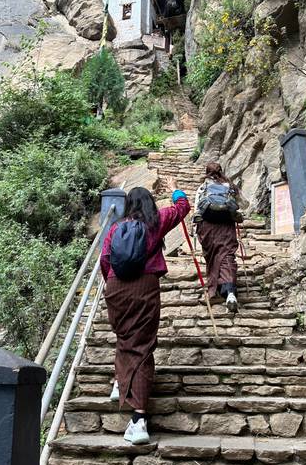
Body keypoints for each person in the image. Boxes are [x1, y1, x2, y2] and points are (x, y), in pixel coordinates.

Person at [100, 179, 190, 445]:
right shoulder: (156, 221)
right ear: (150, 204)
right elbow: (183, 207)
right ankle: (139, 420)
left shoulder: (115, 228)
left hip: (116, 287)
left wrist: (113, 283)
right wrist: (175, 189)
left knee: (125, 338)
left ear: (128, 205)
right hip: (145, 286)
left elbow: (105, 259)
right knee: (142, 346)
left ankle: (121, 382)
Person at [194, 162, 241, 313]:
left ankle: (215, 288)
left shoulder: (203, 187)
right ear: (221, 171)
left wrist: (195, 227)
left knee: (213, 256)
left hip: (208, 228)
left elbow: (197, 211)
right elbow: (240, 207)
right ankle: (230, 292)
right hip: (226, 226)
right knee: (227, 255)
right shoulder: (230, 187)